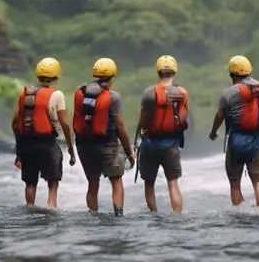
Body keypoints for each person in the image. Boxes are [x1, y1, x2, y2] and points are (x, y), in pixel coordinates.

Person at [72, 57, 137, 216]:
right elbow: (120, 128)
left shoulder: (80, 92)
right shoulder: (113, 97)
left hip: (84, 145)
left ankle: (92, 215)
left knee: (92, 183)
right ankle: (118, 215)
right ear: (112, 75)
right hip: (108, 145)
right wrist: (129, 153)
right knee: (116, 180)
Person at [11, 57, 76, 208]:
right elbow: (65, 123)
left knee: (30, 182)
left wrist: (19, 150)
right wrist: (70, 148)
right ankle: (51, 209)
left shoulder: (24, 93)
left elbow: (15, 123)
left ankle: (29, 208)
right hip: (47, 144)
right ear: (56, 77)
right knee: (53, 182)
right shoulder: (57, 95)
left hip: (26, 145)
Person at [208, 55, 259, 208]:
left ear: (233, 74)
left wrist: (213, 132)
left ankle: (240, 214)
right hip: (258, 140)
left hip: (237, 141)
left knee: (235, 183)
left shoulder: (229, 93)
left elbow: (220, 115)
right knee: (258, 181)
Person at [135, 55, 189, 213]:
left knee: (149, 184)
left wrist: (137, 137)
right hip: (171, 144)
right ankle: (177, 216)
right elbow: (184, 118)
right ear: (174, 71)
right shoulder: (182, 93)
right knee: (172, 183)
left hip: (150, 143)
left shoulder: (149, 93)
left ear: (158, 71)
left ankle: (154, 215)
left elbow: (143, 120)